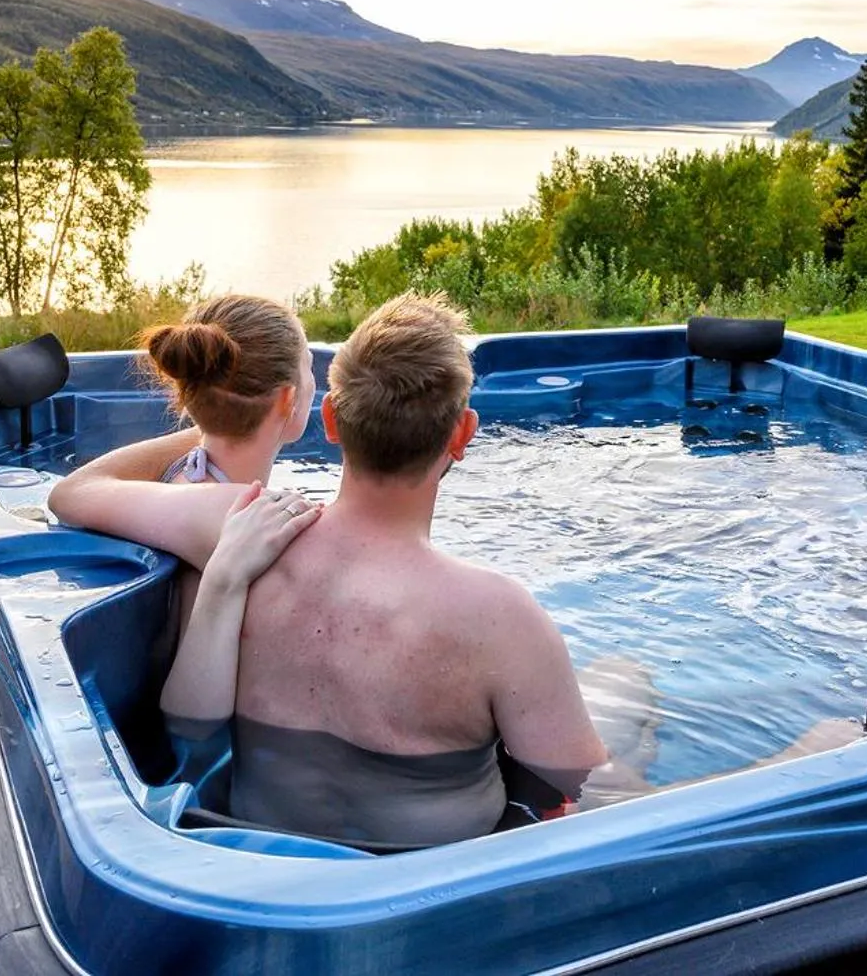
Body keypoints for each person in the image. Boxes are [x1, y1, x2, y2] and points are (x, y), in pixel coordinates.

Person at [160, 293, 608, 848]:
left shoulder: (239, 537)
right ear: (462, 434)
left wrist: (211, 413)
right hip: (431, 890)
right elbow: (584, 796)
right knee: (627, 686)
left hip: (261, 861)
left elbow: (80, 495)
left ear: (330, 420)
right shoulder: (501, 619)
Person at [45, 293, 323, 587]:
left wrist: (211, 420)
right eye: (309, 365)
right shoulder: (240, 513)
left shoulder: (184, 481)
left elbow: (70, 491)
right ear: (288, 399)